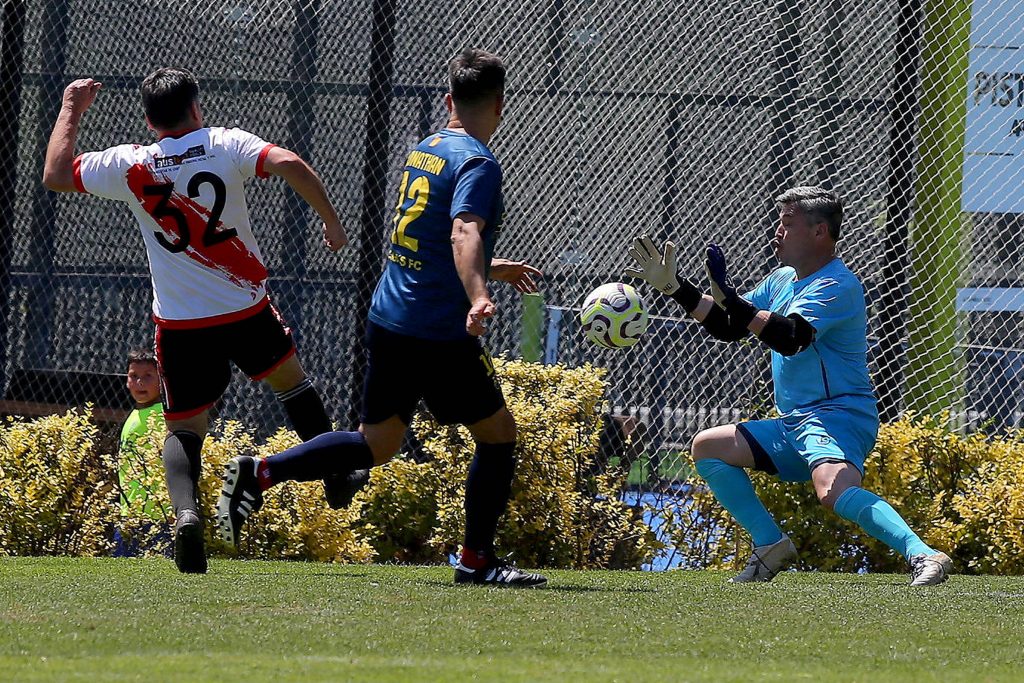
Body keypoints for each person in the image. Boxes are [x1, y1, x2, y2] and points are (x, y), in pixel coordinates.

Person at [216, 48, 548, 588]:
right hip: (437, 330)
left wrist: (492, 268)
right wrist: (478, 294)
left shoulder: (426, 150)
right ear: (500, 105)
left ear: (449, 100)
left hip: (391, 317)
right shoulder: (478, 163)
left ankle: (262, 471)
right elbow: (463, 231)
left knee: (378, 443)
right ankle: (476, 561)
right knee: (498, 436)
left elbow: (429, 239)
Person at [42, 67, 346, 574]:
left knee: (183, 428)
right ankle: (334, 470)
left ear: (148, 120)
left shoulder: (130, 163)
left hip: (182, 325)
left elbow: (55, 174)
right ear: (196, 108)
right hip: (245, 309)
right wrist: (330, 220)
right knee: (292, 386)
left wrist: (72, 107)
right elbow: (288, 162)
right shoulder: (225, 143)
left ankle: (187, 515)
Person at [625, 186, 953, 586]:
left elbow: (791, 337)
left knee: (833, 490)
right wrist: (677, 288)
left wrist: (734, 301)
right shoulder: (781, 279)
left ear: (819, 232)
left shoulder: (838, 285)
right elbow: (730, 326)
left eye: (787, 223)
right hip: (795, 422)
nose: (776, 232)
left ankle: (923, 554)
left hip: (838, 415)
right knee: (708, 447)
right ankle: (770, 545)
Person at [114, 348, 169, 556]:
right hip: (130, 514)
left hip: (158, 517)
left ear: (161, 380)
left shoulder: (164, 416)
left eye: (148, 376)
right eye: (133, 376)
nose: (140, 383)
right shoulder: (135, 414)